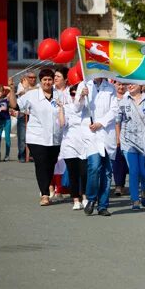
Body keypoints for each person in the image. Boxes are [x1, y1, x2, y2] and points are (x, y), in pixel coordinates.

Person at [7, 68, 63, 206]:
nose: (47, 82)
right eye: (44, 80)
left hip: (55, 138)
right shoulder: (32, 95)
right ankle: (44, 194)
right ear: (41, 81)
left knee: (50, 165)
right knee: (41, 163)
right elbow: (15, 105)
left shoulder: (60, 95)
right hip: (36, 137)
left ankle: (48, 186)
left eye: (50, 79)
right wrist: (12, 90)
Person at [76, 77, 118, 217]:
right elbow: (76, 108)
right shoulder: (83, 85)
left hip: (106, 132)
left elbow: (114, 110)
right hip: (90, 133)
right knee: (94, 166)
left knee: (106, 171)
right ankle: (91, 198)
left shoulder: (110, 88)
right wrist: (82, 96)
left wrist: (101, 123)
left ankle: (103, 205)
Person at [116, 84, 145, 211]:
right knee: (134, 171)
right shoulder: (123, 101)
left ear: (140, 85)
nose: (130, 85)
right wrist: (118, 138)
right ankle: (135, 199)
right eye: (128, 83)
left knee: (144, 172)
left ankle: (144, 190)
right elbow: (118, 120)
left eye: (133, 83)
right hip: (128, 141)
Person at [59, 83, 91, 211]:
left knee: (84, 173)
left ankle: (84, 197)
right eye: (72, 93)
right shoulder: (66, 107)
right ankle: (75, 199)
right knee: (73, 173)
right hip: (70, 144)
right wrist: (60, 109)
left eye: (76, 93)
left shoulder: (87, 107)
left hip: (84, 144)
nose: (74, 96)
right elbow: (62, 124)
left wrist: (84, 95)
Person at [14, 71, 37, 162]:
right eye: (30, 77)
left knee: (34, 136)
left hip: (33, 114)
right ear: (26, 78)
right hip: (23, 114)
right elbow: (21, 93)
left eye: (34, 77)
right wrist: (28, 88)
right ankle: (22, 155)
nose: (32, 79)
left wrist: (29, 89)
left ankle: (32, 154)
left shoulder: (39, 86)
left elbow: (38, 89)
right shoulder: (21, 84)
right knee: (22, 136)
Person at [112, 81, 129, 197]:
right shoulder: (111, 98)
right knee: (117, 160)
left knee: (125, 160)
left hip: (128, 133)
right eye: (119, 84)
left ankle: (124, 184)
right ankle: (118, 185)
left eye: (123, 84)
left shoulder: (129, 97)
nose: (121, 86)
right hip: (112, 133)